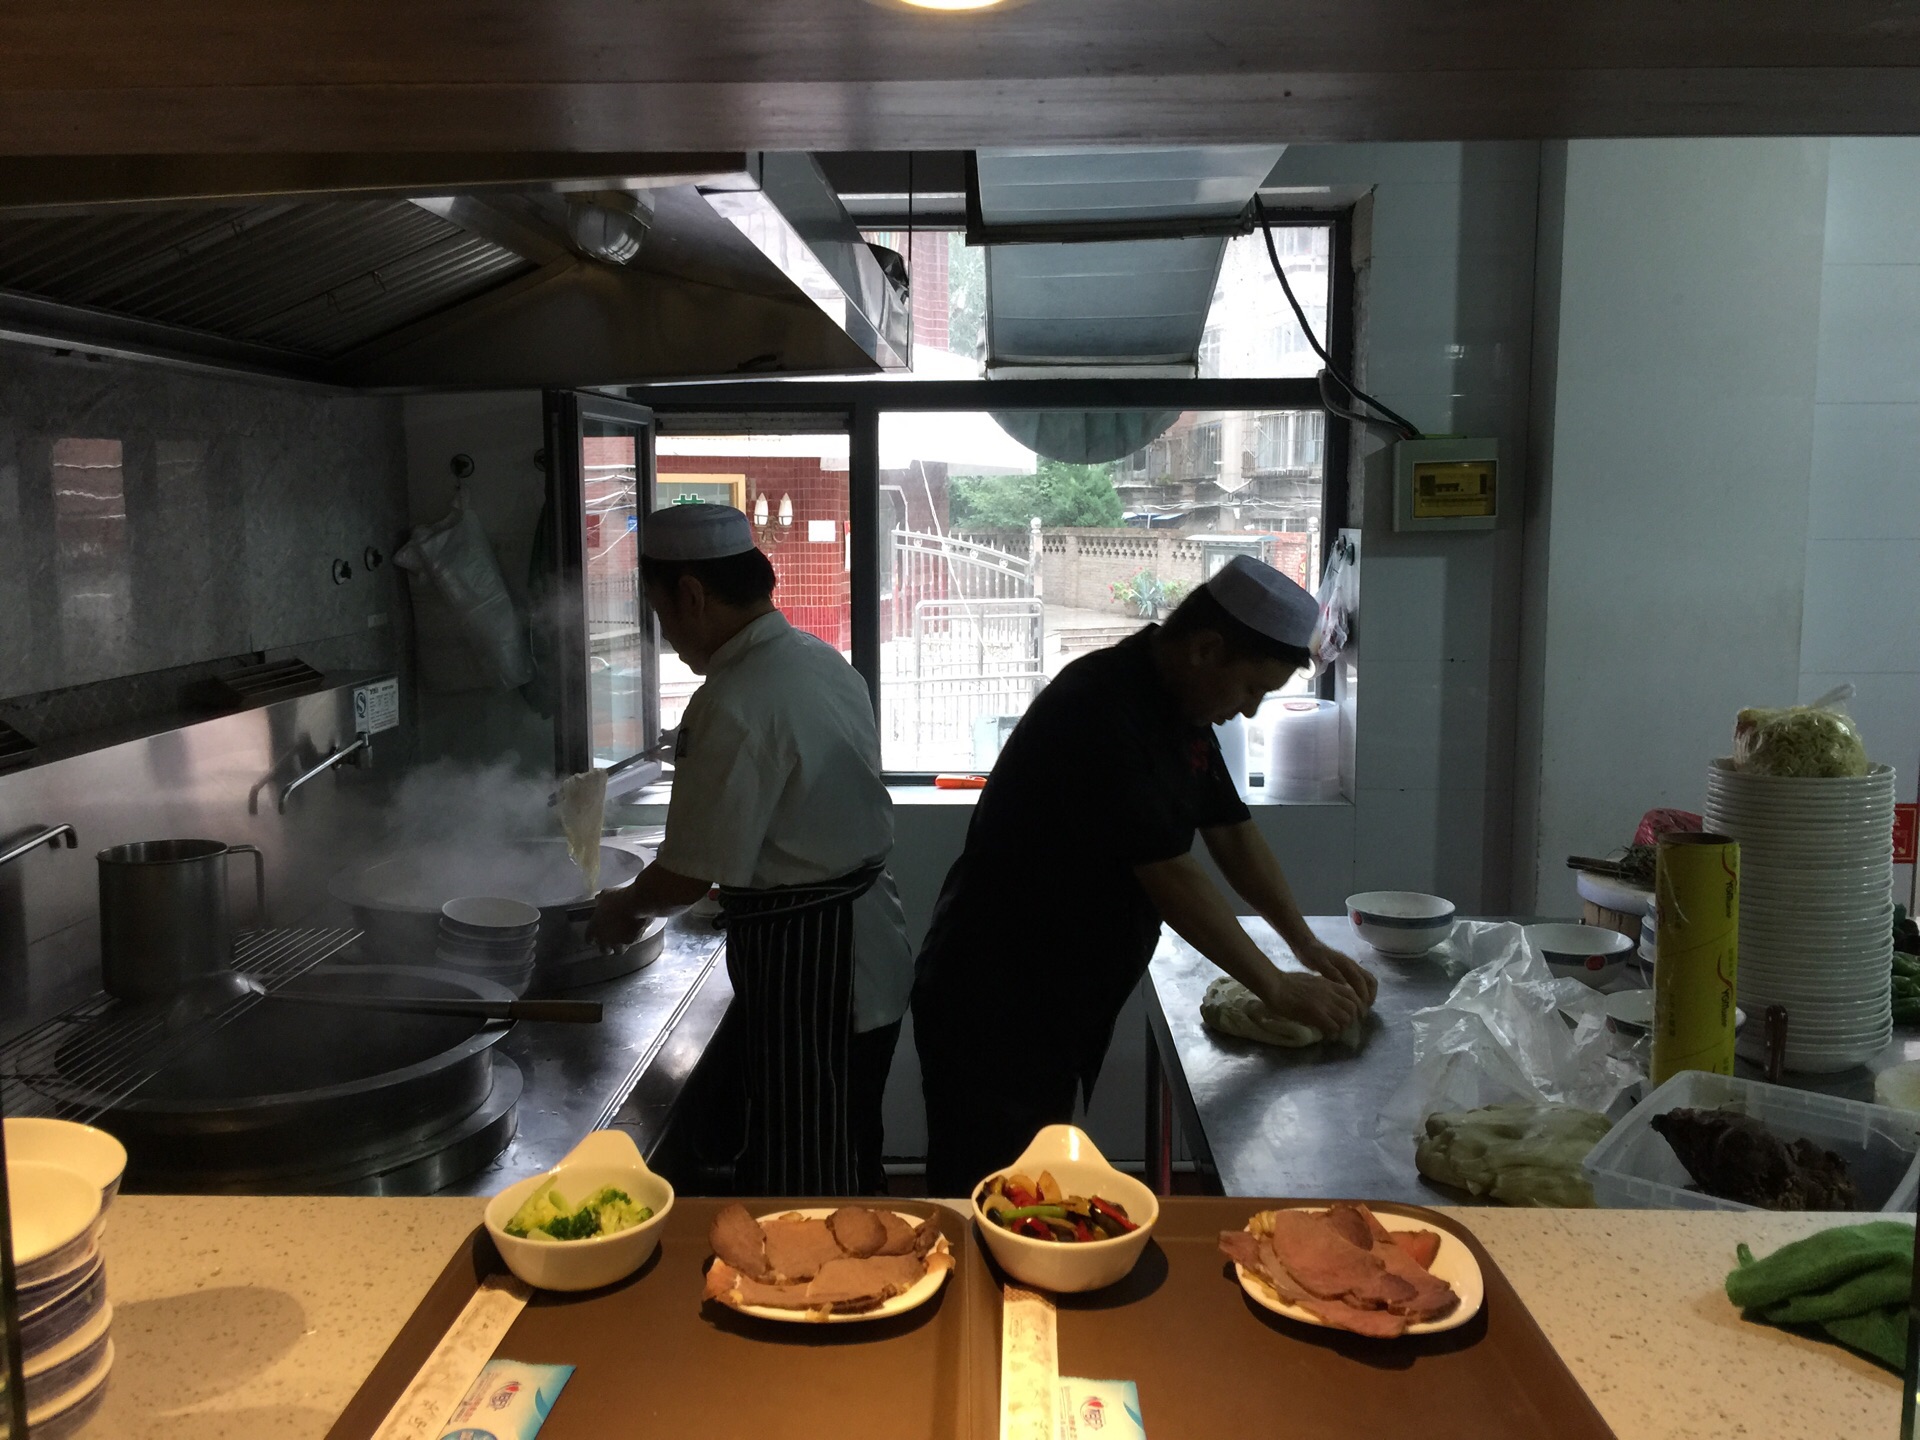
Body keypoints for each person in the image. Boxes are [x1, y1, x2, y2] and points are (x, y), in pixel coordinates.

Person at [910, 554, 1378, 1197]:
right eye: (1251, 689)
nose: (1248, 711)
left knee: (1025, 1186)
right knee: (987, 1196)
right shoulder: (1101, 706)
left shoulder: (1179, 706)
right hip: (995, 998)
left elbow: (1232, 832)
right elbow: (1171, 876)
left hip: (1061, 995)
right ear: (1206, 649)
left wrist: (1305, 943)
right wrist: (1275, 988)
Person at [589, 503, 912, 1196]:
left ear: (691, 594)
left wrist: (623, 907)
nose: (665, 633)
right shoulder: (819, 661)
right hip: (868, 950)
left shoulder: (734, 699)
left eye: (661, 612)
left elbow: (685, 876)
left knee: (807, 1178)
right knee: (851, 1151)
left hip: (816, 968)